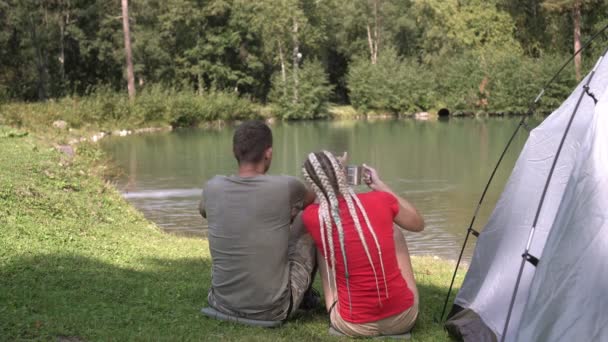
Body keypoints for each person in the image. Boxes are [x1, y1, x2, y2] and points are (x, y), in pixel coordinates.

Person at [200, 120, 317, 322]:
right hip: (273, 310)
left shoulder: (212, 187)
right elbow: (311, 199)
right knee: (310, 217)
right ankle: (310, 298)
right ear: (268, 153)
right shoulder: (286, 186)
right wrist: (335, 170)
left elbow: (204, 212)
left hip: (220, 303)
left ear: (234, 151)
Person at [301, 151, 424, 337]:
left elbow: (316, 201)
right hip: (403, 320)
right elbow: (417, 224)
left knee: (323, 241)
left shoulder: (312, 216)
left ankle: (332, 303)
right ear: (345, 175)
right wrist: (380, 185)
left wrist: (326, 180)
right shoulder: (381, 199)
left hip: (352, 325)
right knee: (395, 232)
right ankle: (397, 300)